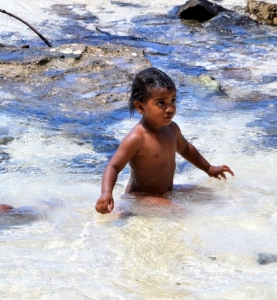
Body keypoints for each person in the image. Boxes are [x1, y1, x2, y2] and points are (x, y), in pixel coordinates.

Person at [95, 67, 234, 214]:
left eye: (172, 100)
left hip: (166, 192)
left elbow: (186, 149)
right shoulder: (138, 138)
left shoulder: (172, 129)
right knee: (181, 212)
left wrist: (209, 169)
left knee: (210, 194)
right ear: (140, 107)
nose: (170, 109)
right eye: (161, 103)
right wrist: (106, 193)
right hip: (140, 197)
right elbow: (113, 166)